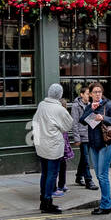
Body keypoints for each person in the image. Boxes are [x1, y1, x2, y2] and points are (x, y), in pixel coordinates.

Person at [32, 82, 73, 213]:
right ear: (60, 95)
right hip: (54, 147)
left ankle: (43, 200)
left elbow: (35, 122)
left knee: (44, 173)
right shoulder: (60, 109)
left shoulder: (41, 105)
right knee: (52, 175)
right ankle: (47, 201)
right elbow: (68, 126)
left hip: (41, 145)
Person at [82, 81, 111, 215]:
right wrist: (90, 110)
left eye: (100, 92)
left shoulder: (108, 105)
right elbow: (82, 120)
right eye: (95, 92)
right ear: (90, 94)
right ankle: (106, 203)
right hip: (94, 145)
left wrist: (103, 117)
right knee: (99, 175)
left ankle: (106, 205)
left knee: (103, 176)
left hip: (106, 144)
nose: (98, 94)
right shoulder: (89, 106)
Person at [69, 85, 96, 190]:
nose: (89, 95)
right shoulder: (76, 106)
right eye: (87, 93)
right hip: (81, 136)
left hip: (90, 135)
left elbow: (92, 122)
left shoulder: (90, 105)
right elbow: (74, 123)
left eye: (90, 94)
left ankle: (78, 176)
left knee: (84, 158)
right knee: (86, 158)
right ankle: (88, 180)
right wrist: (76, 138)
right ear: (81, 94)